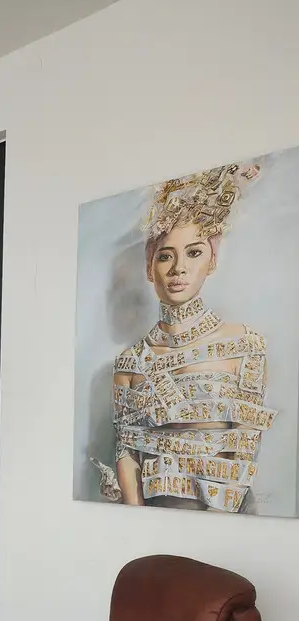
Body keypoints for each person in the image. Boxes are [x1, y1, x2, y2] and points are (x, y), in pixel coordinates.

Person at [99, 162, 275, 512]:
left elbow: (242, 450)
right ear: (151, 266)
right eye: (166, 256)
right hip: (152, 523)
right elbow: (127, 452)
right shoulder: (130, 361)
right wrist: (136, 522)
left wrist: (210, 523)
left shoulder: (246, 347)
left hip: (226, 524)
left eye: (194, 252)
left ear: (212, 259)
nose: (179, 269)